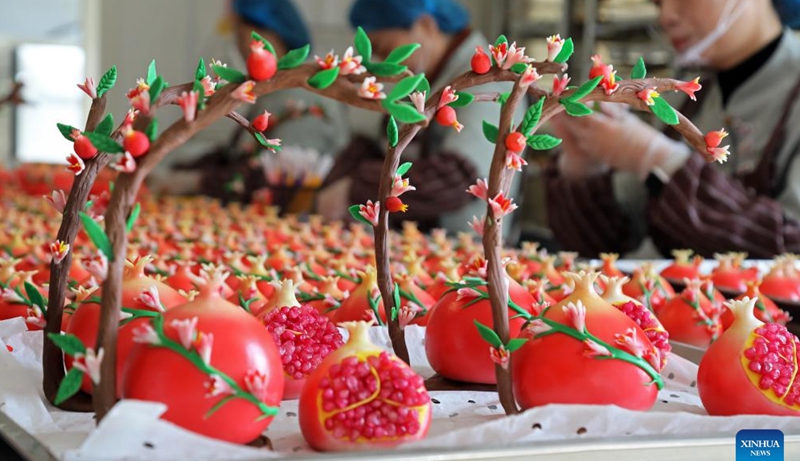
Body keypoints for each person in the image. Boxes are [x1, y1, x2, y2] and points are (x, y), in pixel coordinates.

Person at [545, 0, 800, 258]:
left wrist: (659, 158)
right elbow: (613, 248)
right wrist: (585, 166)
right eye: (658, 2)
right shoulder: (686, 99)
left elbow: (792, 246)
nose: (666, 16)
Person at [319, 0, 526, 236]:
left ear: (426, 25)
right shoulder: (425, 75)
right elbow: (386, 148)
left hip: (463, 246)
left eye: (387, 51)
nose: (382, 65)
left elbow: (456, 179)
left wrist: (356, 187)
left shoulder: (485, 77)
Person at [155, 0, 349, 209]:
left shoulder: (307, 95)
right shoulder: (272, 92)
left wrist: (196, 181)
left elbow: (274, 174)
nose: (239, 48)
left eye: (242, 37)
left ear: (272, 36)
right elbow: (238, 156)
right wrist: (174, 168)